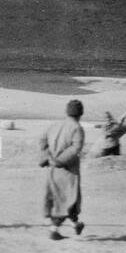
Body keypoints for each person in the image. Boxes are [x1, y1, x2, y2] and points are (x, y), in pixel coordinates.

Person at [40, 99, 86, 238]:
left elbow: (43, 141)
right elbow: (75, 148)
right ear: (80, 113)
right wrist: (59, 161)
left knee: (61, 198)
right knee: (67, 199)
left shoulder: (55, 125)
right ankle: (54, 230)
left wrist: (47, 157)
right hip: (67, 170)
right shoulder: (77, 128)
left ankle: (76, 224)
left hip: (52, 170)